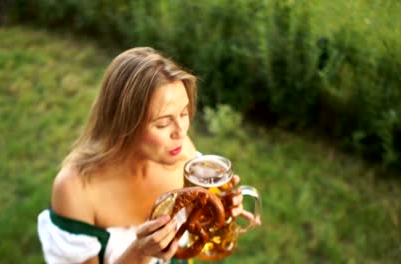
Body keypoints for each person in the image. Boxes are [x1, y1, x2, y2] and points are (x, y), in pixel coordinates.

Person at [37, 47, 254, 264]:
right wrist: (140, 252)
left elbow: (199, 232)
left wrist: (222, 211)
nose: (181, 131)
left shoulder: (182, 154)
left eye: (184, 113)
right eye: (162, 123)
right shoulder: (75, 189)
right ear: (124, 124)